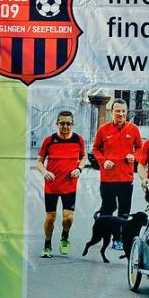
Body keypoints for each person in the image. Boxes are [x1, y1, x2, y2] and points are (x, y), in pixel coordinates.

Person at [91, 98, 142, 250]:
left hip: (126, 178)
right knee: (107, 209)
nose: (120, 114)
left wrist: (135, 156)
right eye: (117, 111)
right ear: (111, 112)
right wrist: (103, 161)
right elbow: (95, 149)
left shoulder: (133, 129)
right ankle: (103, 235)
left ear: (127, 112)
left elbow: (140, 148)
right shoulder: (103, 129)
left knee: (124, 212)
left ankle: (118, 239)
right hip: (108, 178)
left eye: (123, 111)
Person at [36, 110, 88, 257]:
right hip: (51, 186)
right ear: (57, 124)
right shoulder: (49, 140)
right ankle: (47, 245)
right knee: (50, 217)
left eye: (68, 123)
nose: (65, 126)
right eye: (62, 123)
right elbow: (39, 162)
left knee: (68, 218)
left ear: (73, 124)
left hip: (69, 185)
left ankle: (65, 236)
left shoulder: (78, 140)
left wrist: (79, 168)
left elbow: (83, 158)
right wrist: (45, 172)